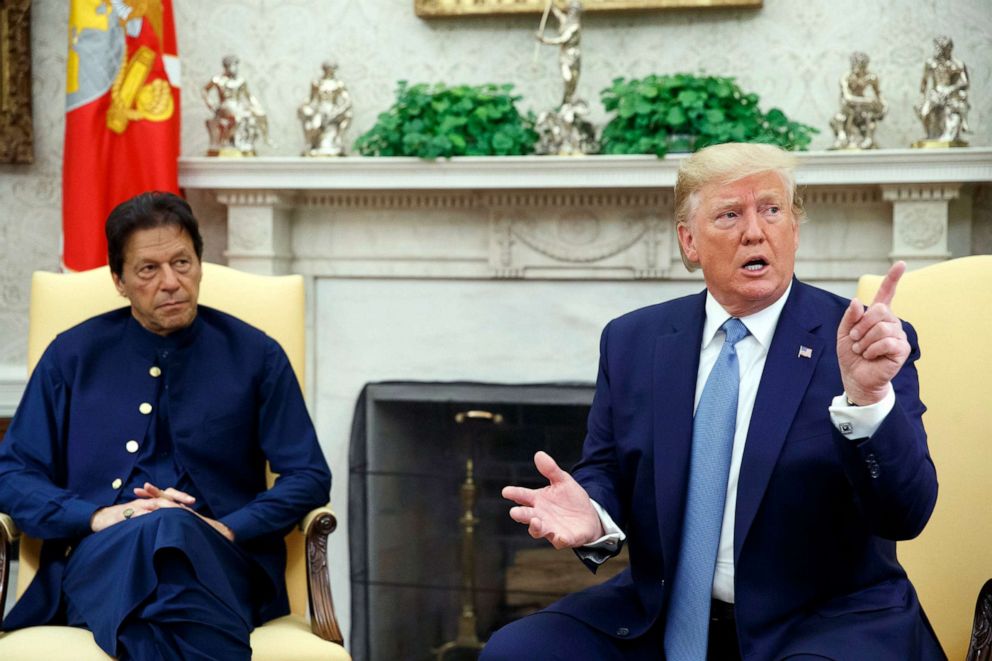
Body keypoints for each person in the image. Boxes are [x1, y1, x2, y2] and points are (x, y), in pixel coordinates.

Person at [485, 143, 944, 660]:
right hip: (662, 614)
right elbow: (608, 467)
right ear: (689, 241)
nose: (755, 231)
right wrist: (593, 512)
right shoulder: (633, 340)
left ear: (793, 229)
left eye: (772, 210)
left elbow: (906, 515)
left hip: (820, 620)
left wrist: (866, 398)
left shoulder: (860, 344)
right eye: (730, 214)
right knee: (516, 651)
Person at [0, 192, 331, 659]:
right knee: (164, 537)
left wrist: (230, 528)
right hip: (100, 561)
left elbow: (310, 475)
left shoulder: (256, 354)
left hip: (224, 561)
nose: (171, 282)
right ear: (119, 281)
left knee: (170, 542)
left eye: (182, 262)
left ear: (200, 264)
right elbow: (11, 475)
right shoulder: (72, 356)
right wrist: (99, 516)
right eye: (148, 269)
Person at [202, 55, 269, 156]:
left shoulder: (241, 81)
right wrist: (210, 104)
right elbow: (204, 90)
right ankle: (231, 141)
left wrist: (257, 106)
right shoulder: (217, 80)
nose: (235, 68)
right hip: (225, 106)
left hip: (238, 106)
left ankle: (263, 139)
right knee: (237, 117)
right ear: (226, 67)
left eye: (236, 66)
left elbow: (249, 96)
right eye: (233, 65)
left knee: (257, 115)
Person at [915, 36, 970, 144]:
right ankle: (931, 135)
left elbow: (965, 82)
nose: (942, 51)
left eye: (945, 48)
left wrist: (951, 89)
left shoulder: (957, 64)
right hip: (935, 93)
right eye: (939, 47)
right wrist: (921, 97)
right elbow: (924, 82)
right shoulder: (931, 63)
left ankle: (958, 127)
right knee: (924, 112)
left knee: (953, 109)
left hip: (951, 93)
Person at [829, 51, 887, 150]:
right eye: (855, 65)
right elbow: (847, 98)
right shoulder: (846, 77)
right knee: (840, 118)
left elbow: (879, 95)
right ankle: (842, 138)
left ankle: (868, 139)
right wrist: (868, 101)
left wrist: (884, 107)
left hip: (863, 108)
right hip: (849, 105)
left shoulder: (871, 77)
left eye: (860, 66)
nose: (856, 69)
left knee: (869, 115)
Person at [298, 61, 353, 157]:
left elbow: (347, 101)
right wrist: (303, 106)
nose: (329, 71)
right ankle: (310, 145)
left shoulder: (338, 83)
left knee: (348, 115)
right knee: (315, 127)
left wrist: (339, 111)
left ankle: (338, 140)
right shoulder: (317, 83)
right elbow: (311, 98)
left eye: (331, 69)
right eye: (327, 68)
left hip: (333, 110)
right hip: (320, 110)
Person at [535, 0, 582, 106]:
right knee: (567, 78)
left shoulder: (575, 27)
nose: (571, 12)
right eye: (570, 10)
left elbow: (563, 39)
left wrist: (545, 40)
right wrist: (551, 5)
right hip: (564, 56)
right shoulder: (566, 21)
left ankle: (568, 103)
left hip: (573, 56)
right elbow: (558, 14)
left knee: (572, 82)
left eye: (574, 10)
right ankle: (566, 103)